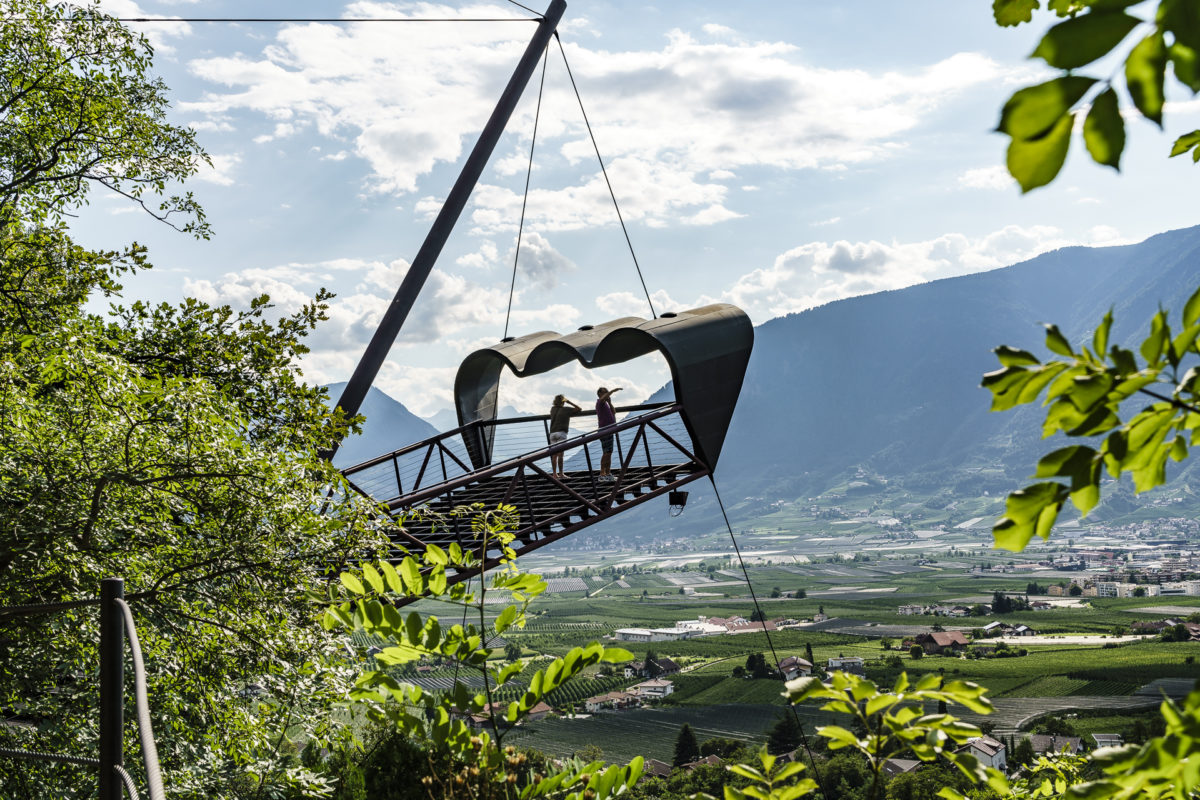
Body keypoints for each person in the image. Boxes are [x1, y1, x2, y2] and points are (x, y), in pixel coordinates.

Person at [548, 394, 581, 476]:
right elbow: (579, 409)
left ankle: (555, 474)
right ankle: (561, 474)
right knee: (560, 455)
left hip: (552, 433)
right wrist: (569, 402)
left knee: (554, 455)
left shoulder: (552, 409)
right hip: (561, 433)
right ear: (563, 401)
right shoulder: (566, 410)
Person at [595, 386, 622, 481]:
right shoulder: (600, 402)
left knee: (609, 452)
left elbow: (614, 412)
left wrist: (610, 402)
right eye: (604, 392)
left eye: (607, 392)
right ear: (599, 394)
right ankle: (602, 474)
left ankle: (607, 473)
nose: (606, 393)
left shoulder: (606, 404)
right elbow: (603, 398)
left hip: (610, 430)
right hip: (605, 430)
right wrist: (613, 391)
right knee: (606, 453)